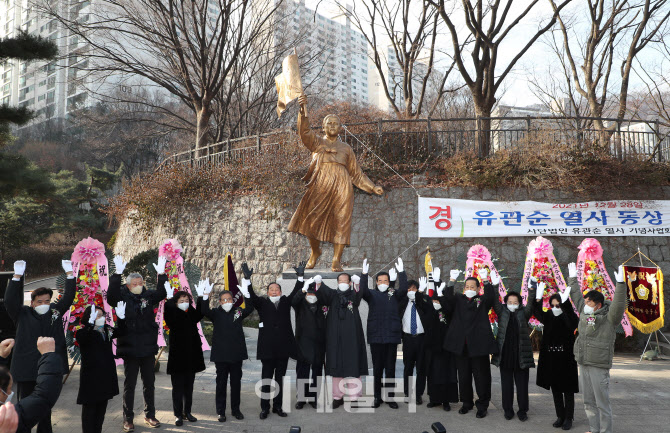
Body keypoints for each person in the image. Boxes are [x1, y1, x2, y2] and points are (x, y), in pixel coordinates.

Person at [288, 94, 384, 272]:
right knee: (311, 221)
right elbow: (304, 132)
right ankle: (315, 252)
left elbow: (356, 173)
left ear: (340, 128)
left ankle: (336, 260)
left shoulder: (346, 149)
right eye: (329, 123)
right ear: (323, 127)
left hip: (342, 187)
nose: (332, 125)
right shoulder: (316, 142)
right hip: (320, 185)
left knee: (341, 221)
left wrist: (372, 186)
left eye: (335, 123)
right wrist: (303, 110)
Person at [5, 260, 75, 433]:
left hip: (47, 368)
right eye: (39, 301)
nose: (44, 304)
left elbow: (69, 297)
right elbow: (9, 301)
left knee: (45, 409)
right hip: (26, 369)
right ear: (32, 303)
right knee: (24, 408)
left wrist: (70, 275)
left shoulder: (55, 312)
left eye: (46, 301)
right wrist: (16, 277)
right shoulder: (23, 314)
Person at [108, 255, 168, 432]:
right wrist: (117, 274)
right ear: (127, 286)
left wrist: (162, 274)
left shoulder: (148, 297)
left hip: (148, 347)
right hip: (130, 348)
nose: (138, 286)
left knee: (149, 383)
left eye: (140, 282)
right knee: (130, 384)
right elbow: (111, 296)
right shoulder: (122, 297)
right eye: (134, 283)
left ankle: (150, 414)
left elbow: (162, 293)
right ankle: (128, 418)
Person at [567, 263, 627, 433]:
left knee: (602, 403)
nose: (585, 304)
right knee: (588, 402)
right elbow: (576, 296)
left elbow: (619, 304)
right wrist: (572, 278)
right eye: (585, 302)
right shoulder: (584, 313)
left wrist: (621, 284)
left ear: (598, 305)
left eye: (589, 302)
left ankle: (605, 431)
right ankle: (594, 429)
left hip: (598, 365)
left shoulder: (609, 318)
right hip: (584, 362)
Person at [439, 268, 499, 419]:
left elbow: (491, 297)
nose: (470, 289)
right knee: (464, 377)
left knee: (482, 377)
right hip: (461, 347)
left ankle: (482, 405)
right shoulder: (458, 299)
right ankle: (466, 403)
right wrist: (451, 282)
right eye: (467, 286)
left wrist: (486, 281)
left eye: (473, 287)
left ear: (478, 289)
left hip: (479, 347)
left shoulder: (481, 301)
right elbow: (448, 299)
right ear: (464, 288)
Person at [245, 263, 301, 419]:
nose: (274, 291)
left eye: (277, 289)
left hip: (283, 349)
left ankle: (278, 406)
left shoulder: (285, 301)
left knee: (280, 379)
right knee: (266, 379)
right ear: (268, 292)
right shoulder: (262, 303)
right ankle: (264, 408)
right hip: (267, 349)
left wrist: (300, 277)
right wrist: (247, 279)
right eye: (271, 289)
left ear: (280, 291)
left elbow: (297, 291)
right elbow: (251, 296)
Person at [314, 272, 368, 407]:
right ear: (337, 282)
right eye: (340, 280)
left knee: (353, 364)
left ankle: (354, 397)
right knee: (336, 365)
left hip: (352, 336)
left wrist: (358, 283)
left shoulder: (353, 295)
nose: (343, 283)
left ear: (349, 283)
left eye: (346, 280)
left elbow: (359, 295)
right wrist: (319, 283)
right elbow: (322, 294)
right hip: (335, 336)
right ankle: (338, 397)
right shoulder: (333, 295)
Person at [202, 280, 253, 422]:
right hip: (221, 356)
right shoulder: (216, 313)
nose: (227, 301)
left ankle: (236, 410)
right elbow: (204, 311)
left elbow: (250, 308)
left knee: (236, 384)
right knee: (221, 384)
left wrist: (246, 293)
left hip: (236, 355)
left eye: (229, 299)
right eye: (224, 300)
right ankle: (221, 411)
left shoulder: (238, 311)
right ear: (220, 302)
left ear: (233, 300)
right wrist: (205, 295)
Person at [359, 258, 407, 409]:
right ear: (376, 282)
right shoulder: (372, 294)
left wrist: (402, 273)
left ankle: (390, 398)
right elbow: (362, 291)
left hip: (391, 337)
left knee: (390, 369)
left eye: (386, 280)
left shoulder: (393, 294)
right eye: (380, 280)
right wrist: (364, 274)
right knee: (378, 369)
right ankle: (377, 397)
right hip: (376, 337)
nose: (383, 283)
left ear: (389, 282)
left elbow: (405, 289)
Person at [490, 280, 539, 422]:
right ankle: (508, 410)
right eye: (510, 301)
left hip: (521, 356)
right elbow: (494, 300)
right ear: (506, 303)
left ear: (519, 303)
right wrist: (494, 285)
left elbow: (530, 303)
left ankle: (522, 411)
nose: (512, 303)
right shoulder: (502, 312)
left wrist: (532, 288)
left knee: (522, 386)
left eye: (515, 301)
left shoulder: (524, 313)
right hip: (505, 355)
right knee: (507, 386)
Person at [76, 303, 127, 433]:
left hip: (106, 376)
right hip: (91, 378)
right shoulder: (84, 332)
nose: (101, 317)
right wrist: (90, 324)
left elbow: (122, 332)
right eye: (97, 315)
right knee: (90, 411)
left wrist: (121, 318)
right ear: (89, 317)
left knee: (101, 410)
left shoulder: (107, 329)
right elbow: (82, 339)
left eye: (102, 315)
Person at [534, 291, 579, 431]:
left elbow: (573, 322)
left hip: (566, 358)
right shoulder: (548, 316)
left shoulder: (568, 317)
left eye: (558, 305)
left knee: (568, 389)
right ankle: (560, 416)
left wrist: (566, 305)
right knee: (556, 389)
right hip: (551, 357)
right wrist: (538, 298)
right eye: (552, 305)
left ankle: (569, 418)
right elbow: (537, 312)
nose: (555, 308)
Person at [163, 285, 206, 426]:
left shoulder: (190, 312)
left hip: (191, 357)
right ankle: (177, 415)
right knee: (177, 388)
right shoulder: (172, 313)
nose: (184, 303)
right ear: (176, 303)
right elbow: (168, 315)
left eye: (186, 300)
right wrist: (169, 300)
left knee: (189, 387)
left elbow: (200, 313)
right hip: (177, 358)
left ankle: (187, 412)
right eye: (181, 301)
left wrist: (201, 297)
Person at [0, 337, 63, 433]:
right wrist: (49, 356)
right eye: (9, 389)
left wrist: (1, 358)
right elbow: (43, 396)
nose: (11, 393)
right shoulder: (6, 420)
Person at [291, 262, 326, 409]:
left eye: (313, 293)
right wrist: (302, 288)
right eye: (309, 293)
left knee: (317, 373)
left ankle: (313, 398)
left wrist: (319, 284)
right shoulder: (299, 305)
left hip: (319, 344)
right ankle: (301, 398)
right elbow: (294, 300)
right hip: (303, 344)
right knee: (302, 373)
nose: (311, 295)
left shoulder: (323, 304)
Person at [421, 272, 458, 411]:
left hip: (446, 348)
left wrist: (441, 287)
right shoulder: (429, 311)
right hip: (432, 347)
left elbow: (449, 303)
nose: (436, 303)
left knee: (446, 374)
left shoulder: (447, 311)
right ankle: (434, 399)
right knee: (433, 374)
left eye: (438, 301)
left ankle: (446, 401)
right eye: (434, 301)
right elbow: (421, 306)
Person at [398, 275, 432, 405]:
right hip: (408, 339)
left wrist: (420, 296)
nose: (411, 291)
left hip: (422, 339)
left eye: (414, 289)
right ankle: (407, 393)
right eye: (408, 289)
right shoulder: (402, 303)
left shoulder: (423, 302)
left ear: (418, 290)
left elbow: (427, 309)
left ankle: (418, 394)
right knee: (408, 368)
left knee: (421, 369)